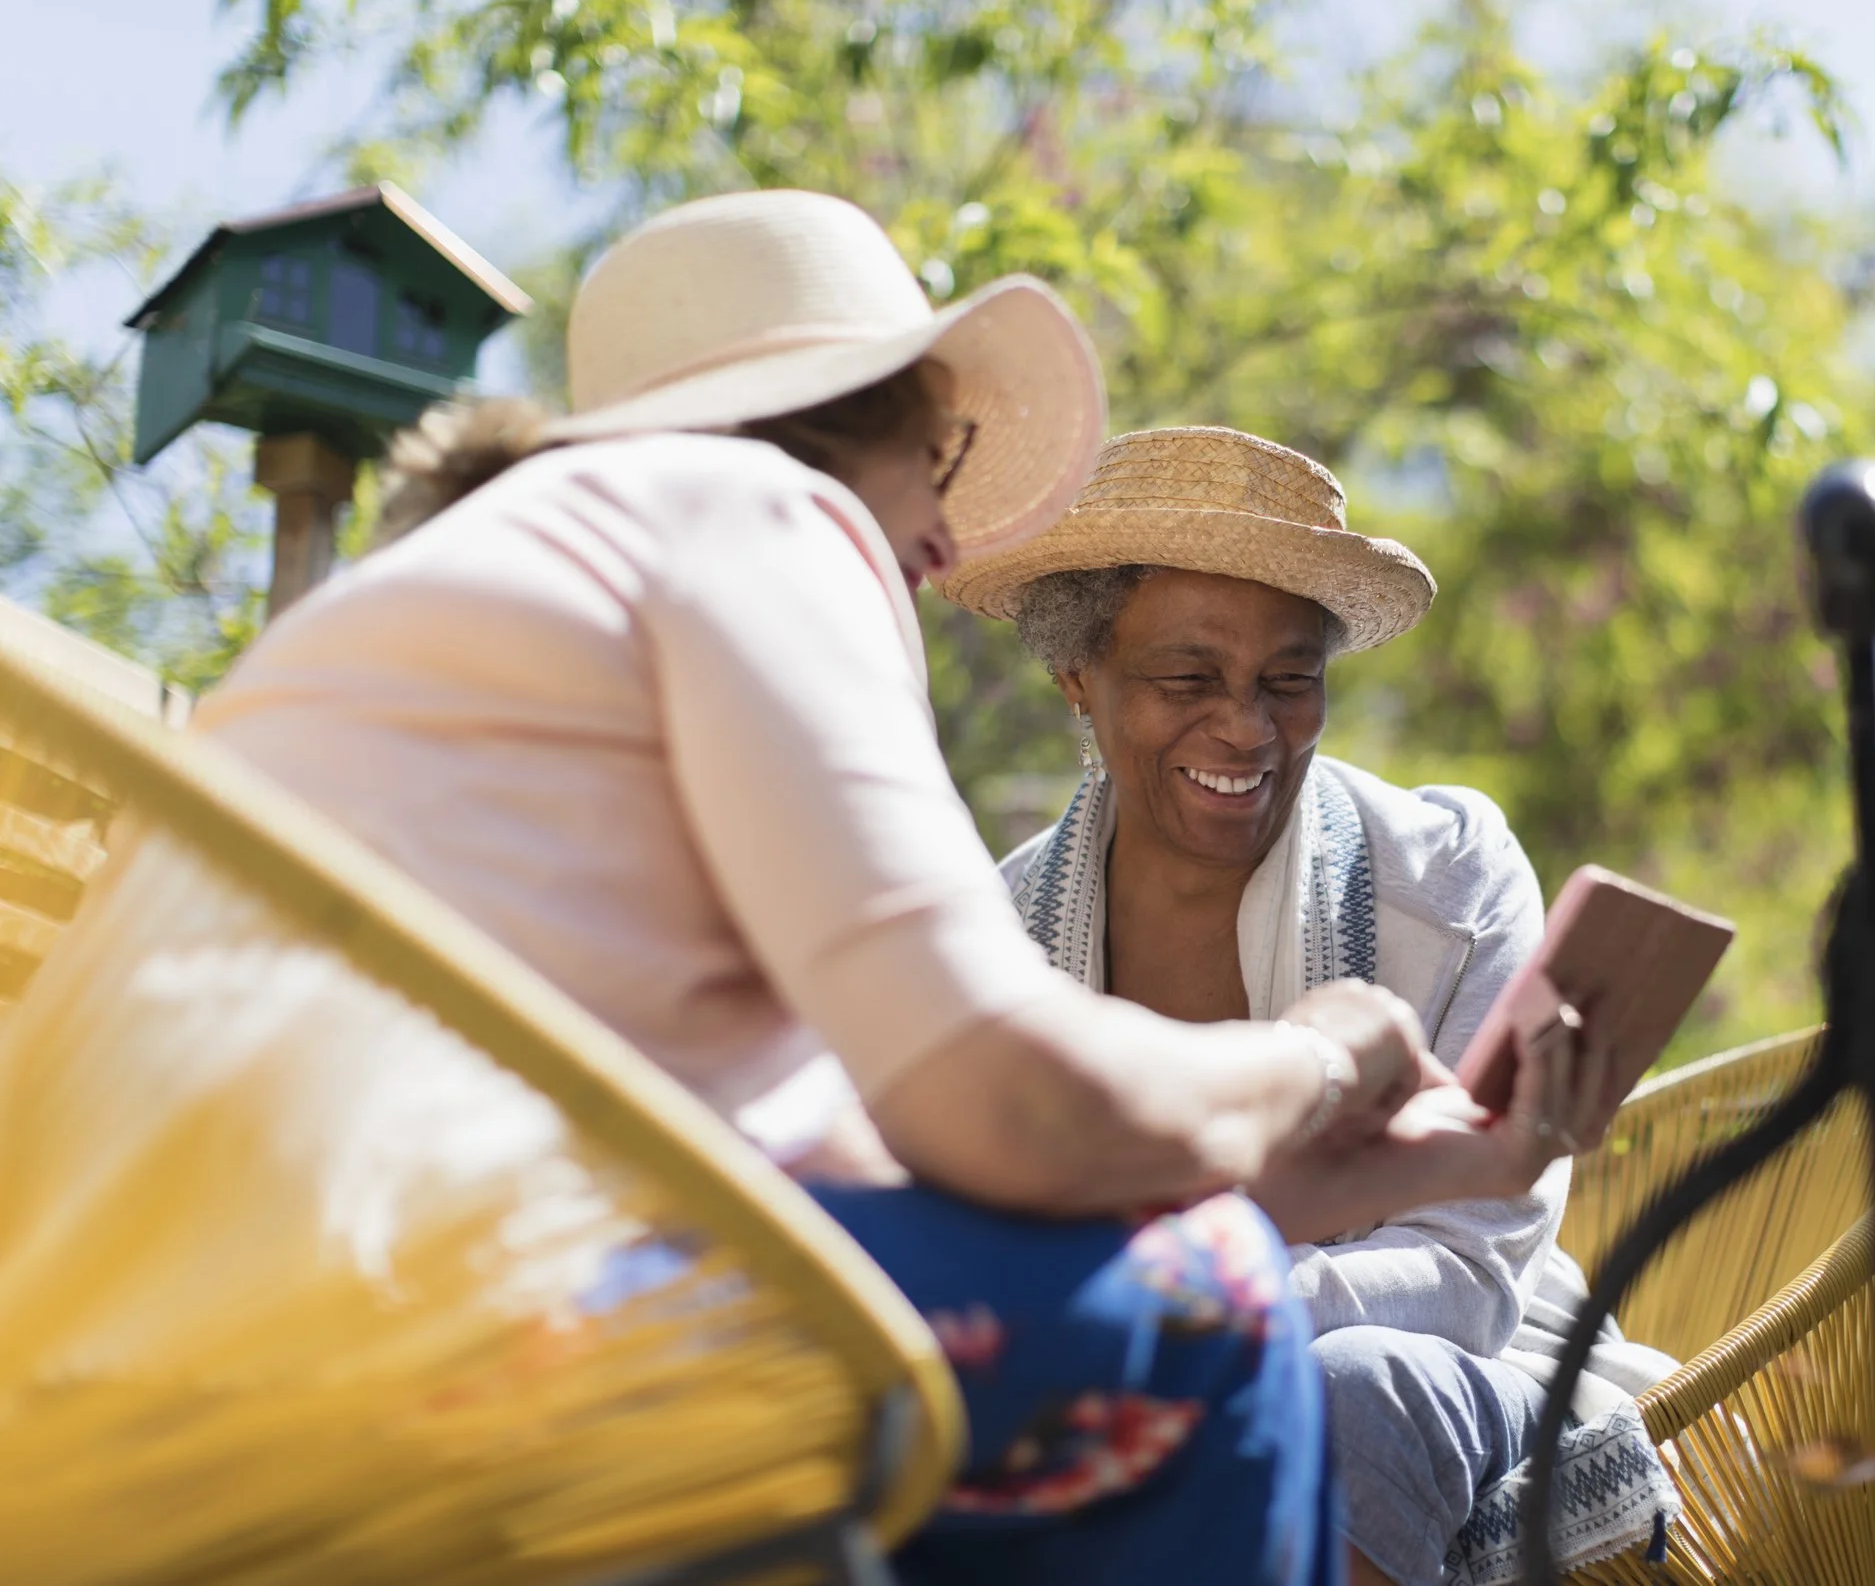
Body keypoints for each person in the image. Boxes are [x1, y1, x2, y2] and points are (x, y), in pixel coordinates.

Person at [191, 192, 1575, 1586]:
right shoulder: (749, 513)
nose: (944, 537)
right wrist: (1312, 1056)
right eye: (946, 459)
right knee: (1207, 1296)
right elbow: (1007, 1113)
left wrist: (1423, 1159)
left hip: (208, 1344)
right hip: (470, 1323)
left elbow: (851, 1143)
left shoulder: (461, 590)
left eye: (1289, 677)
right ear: (850, 427)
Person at [940, 426, 1680, 1586]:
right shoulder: (1000, 937)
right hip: (1094, 1384)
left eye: (1289, 679)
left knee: (1347, 1389)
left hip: (1449, 1373)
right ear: (1077, 677)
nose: (1244, 725)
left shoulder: (1446, 874)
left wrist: (1195, 1313)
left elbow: (1473, 1271)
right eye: (1187, 678)